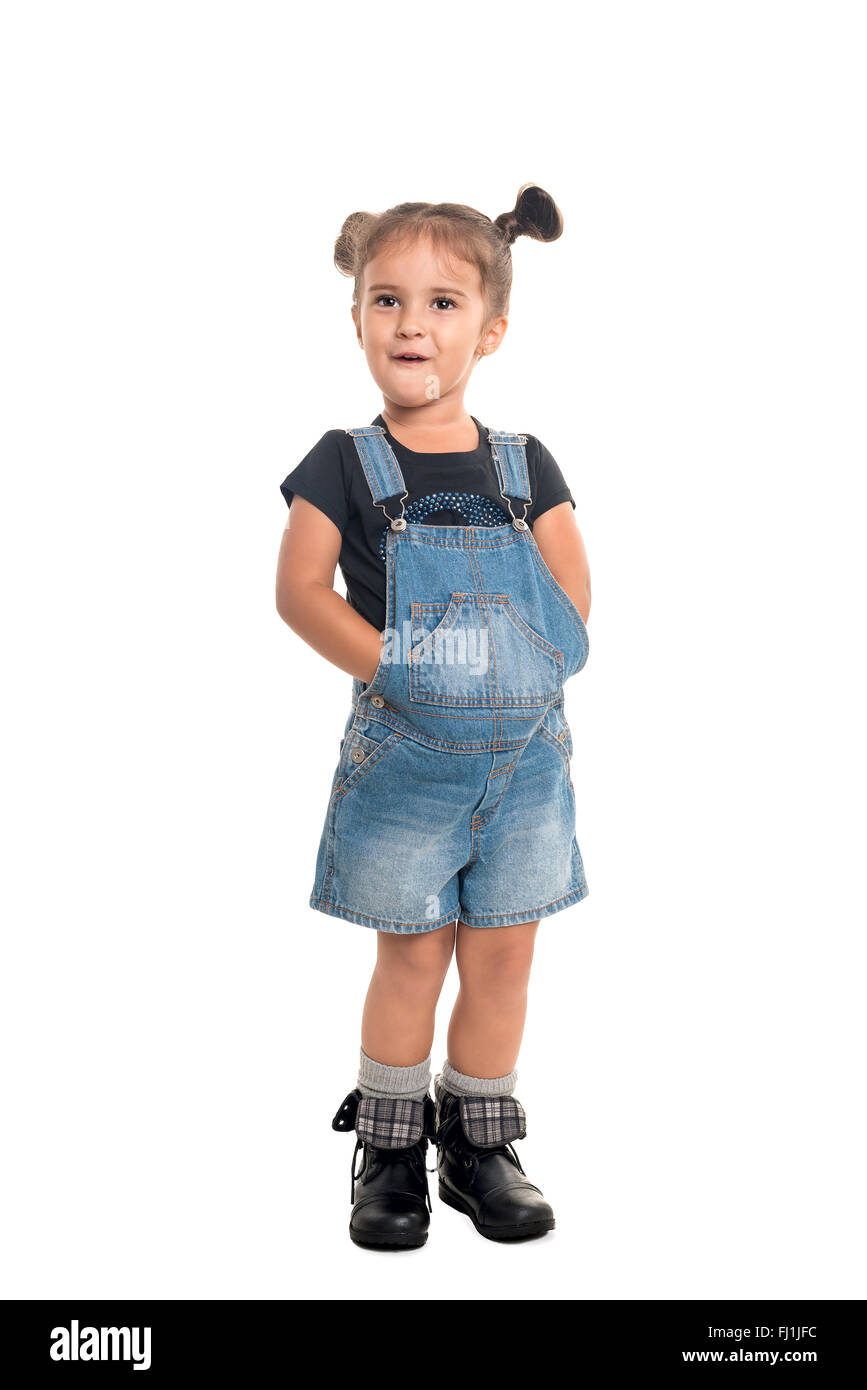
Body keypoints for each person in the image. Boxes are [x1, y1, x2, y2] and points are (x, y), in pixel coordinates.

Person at [276, 184, 592, 1249]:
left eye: (444, 303)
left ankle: (480, 1141)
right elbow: (301, 592)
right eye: (387, 300)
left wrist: (521, 668)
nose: (413, 323)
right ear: (359, 317)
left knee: (504, 955)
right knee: (413, 955)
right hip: (407, 758)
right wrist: (398, 667)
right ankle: (393, 1144)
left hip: (525, 767)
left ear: (491, 329)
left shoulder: (523, 465)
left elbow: (570, 600)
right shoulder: (344, 462)